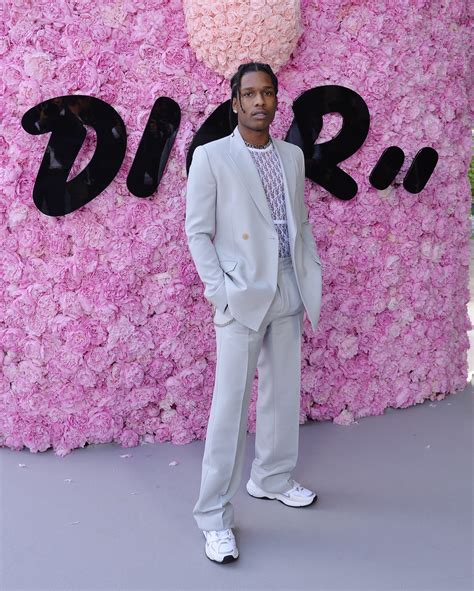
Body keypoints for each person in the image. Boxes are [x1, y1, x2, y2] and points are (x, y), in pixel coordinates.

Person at [185, 62, 323, 564]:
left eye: (268, 93)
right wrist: (220, 294)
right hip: (241, 295)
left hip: (288, 286)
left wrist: (311, 271)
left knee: (283, 395)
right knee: (229, 408)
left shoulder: (291, 156)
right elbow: (198, 232)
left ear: (275, 99)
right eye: (250, 94)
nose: (260, 102)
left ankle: (272, 478)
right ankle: (214, 517)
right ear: (235, 102)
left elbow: (298, 221)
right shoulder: (212, 157)